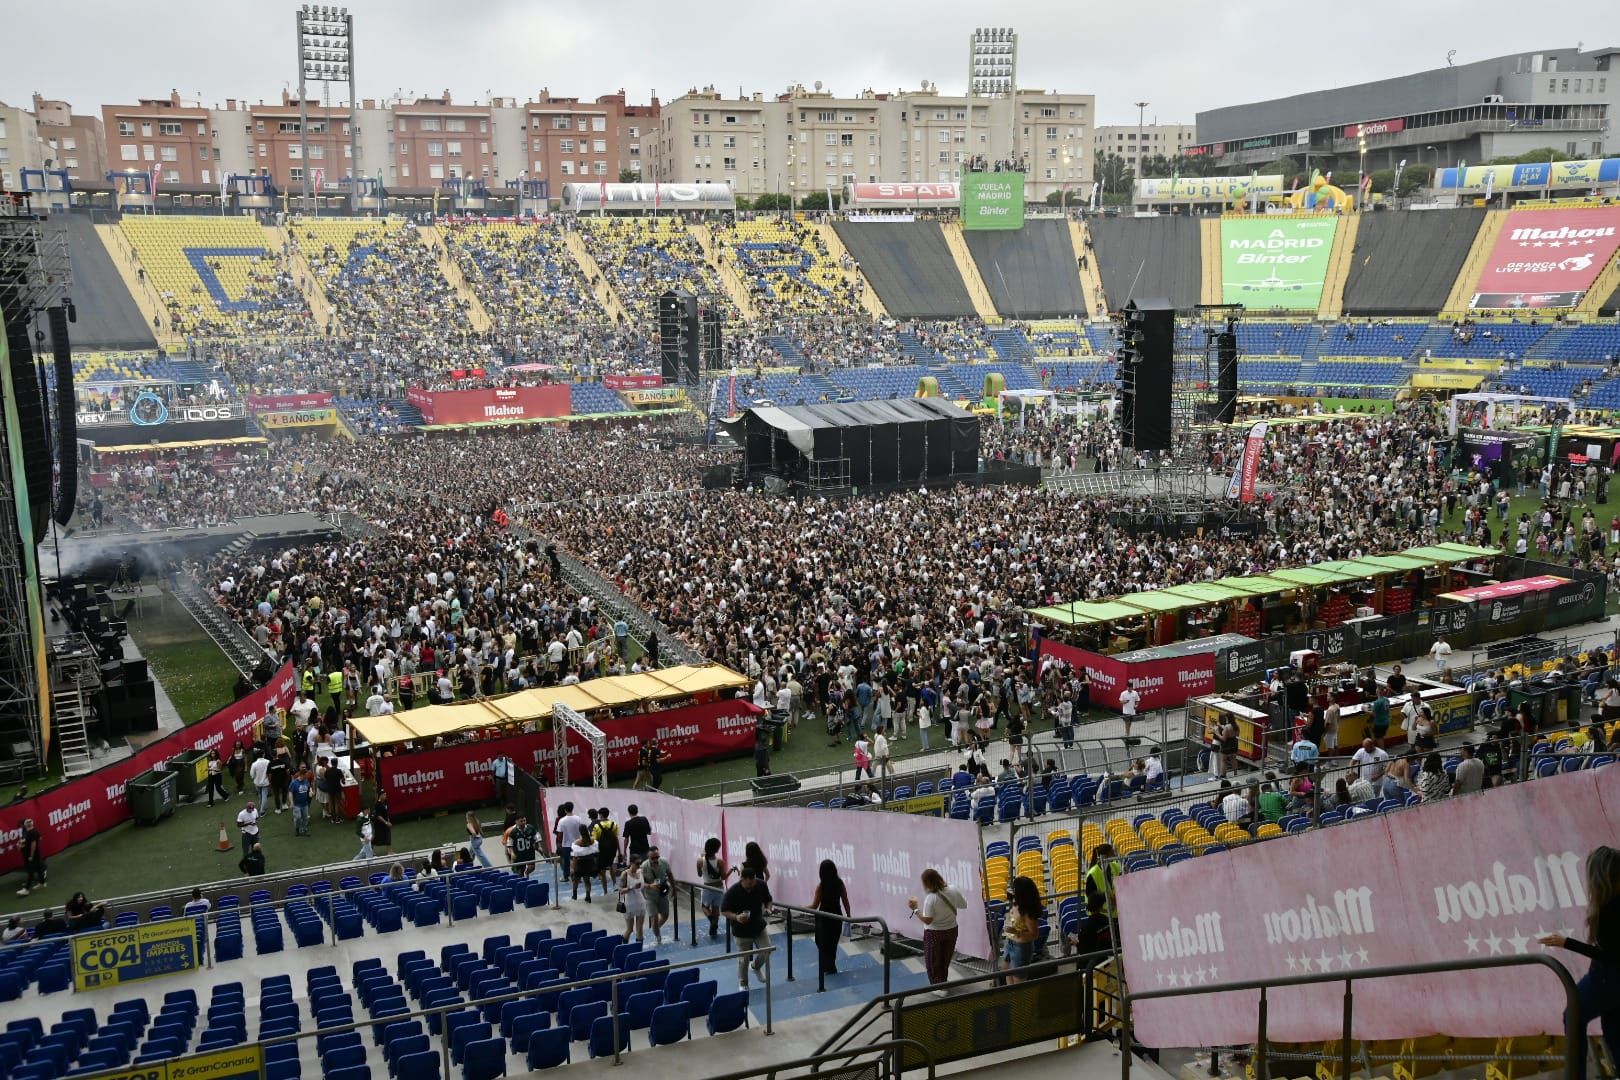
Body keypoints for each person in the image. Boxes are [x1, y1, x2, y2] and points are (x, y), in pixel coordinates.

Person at [1539, 846, 1619, 1068]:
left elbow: (1609, 955)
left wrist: (1566, 943)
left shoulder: (1609, 909)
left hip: (1606, 978)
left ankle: (1575, 1074)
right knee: (1614, 1031)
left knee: (1573, 1017)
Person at [911, 868, 968, 988]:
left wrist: (915, 910)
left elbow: (928, 920)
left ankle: (937, 987)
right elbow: (964, 905)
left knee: (933, 962)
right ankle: (943, 983)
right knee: (944, 960)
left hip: (934, 933)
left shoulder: (930, 899)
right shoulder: (953, 890)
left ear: (926, 883)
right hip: (952, 930)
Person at [721, 865, 775, 990]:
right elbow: (724, 910)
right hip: (741, 931)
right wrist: (736, 917)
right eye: (748, 883)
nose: (751, 885)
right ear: (742, 880)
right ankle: (743, 983)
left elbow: (769, 899)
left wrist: (768, 908)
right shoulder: (733, 892)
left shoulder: (761, 885)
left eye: (753, 881)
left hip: (758, 927)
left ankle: (755, 967)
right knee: (743, 959)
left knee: (767, 950)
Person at [811, 858, 851, 977]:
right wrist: (849, 915)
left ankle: (826, 967)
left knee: (822, 943)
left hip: (823, 918)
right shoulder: (840, 884)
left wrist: (801, 907)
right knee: (832, 944)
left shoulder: (821, 887)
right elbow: (845, 900)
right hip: (836, 916)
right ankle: (831, 966)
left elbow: (814, 906)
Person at [1002, 876, 1044, 982]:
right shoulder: (1018, 902)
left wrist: (1016, 932)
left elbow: (1034, 934)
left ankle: (1018, 998)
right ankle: (1011, 996)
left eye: (1015, 889)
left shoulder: (1029, 913)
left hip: (1021, 947)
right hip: (1010, 942)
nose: (1013, 890)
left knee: (1018, 980)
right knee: (1007, 972)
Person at [698, 837, 730, 939]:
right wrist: (731, 870)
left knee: (704, 906)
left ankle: (711, 919)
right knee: (716, 908)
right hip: (719, 888)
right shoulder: (720, 862)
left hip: (707, 887)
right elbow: (724, 877)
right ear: (717, 850)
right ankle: (714, 930)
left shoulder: (700, 860)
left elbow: (699, 874)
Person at [642, 846, 673, 944]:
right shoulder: (643, 867)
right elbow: (640, 883)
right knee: (654, 917)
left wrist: (674, 889)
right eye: (653, 858)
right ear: (648, 857)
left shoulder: (664, 862)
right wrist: (650, 886)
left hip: (662, 894)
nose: (655, 860)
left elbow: (670, 874)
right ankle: (658, 936)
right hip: (650, 896)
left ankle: (655, 928)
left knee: (665, 915)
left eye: (657, 857)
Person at [619, 853, 648, 944]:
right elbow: (621, 891)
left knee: (640, 929)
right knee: (630, 929)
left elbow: (643, 886)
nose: (639, 865)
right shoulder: (625, 874)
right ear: (631, 863)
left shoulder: (641, 872)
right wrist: (632, 887)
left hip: (640, 902)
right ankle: (624, 946)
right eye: (637, 863)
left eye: (640, 863)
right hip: (629, 904)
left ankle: (639, 949)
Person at [570, 823, 599, 901]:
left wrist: (573, 867)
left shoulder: (577, 842)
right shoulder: (592, 840)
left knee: (576, 880)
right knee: (587, 880)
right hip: (589, 863)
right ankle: (588, 896)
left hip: (580, 863)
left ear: (580, 832)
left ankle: (574, 895)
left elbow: (575, 856)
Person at [16, 817, 44, 896]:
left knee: (31, 871)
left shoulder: (32, 832)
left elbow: (33, 844)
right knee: (38, 868)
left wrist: (31, 855)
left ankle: (27, 889)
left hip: (32, 855)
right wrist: (21, 843)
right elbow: (27, 840)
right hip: (33, 854)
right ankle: (42, 883)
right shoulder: (30, 832)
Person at [288, 767, 312, 836]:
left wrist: (310, 791)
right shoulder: (294, 783)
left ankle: (304, 830)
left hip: (305, 803)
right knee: (298, 817)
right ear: (302, 775)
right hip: (297, 804)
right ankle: (297, 829)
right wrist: (292, 802)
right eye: (306, 775)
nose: (307, 776)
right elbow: (290, 793)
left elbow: (309, 787)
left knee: (305, 817)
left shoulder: (306, 781)